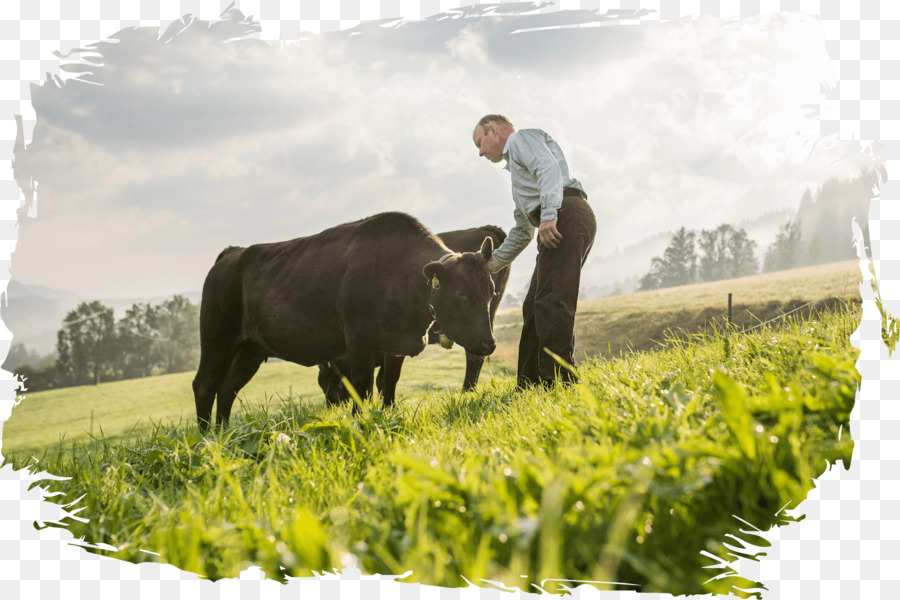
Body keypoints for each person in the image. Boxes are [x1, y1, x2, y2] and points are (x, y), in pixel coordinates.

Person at [472, 114, 596, 389]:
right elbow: (522, 230)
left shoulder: (521, 139)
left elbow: (547, 168)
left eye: (480, 142)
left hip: (565, 214)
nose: (480, 152)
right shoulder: (517, 175)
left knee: (553, 300)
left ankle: (559, 381)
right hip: (557, 217)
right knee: (534, 305)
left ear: (493, 129)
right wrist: (488, 266)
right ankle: (529, 384)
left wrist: (550, 215)